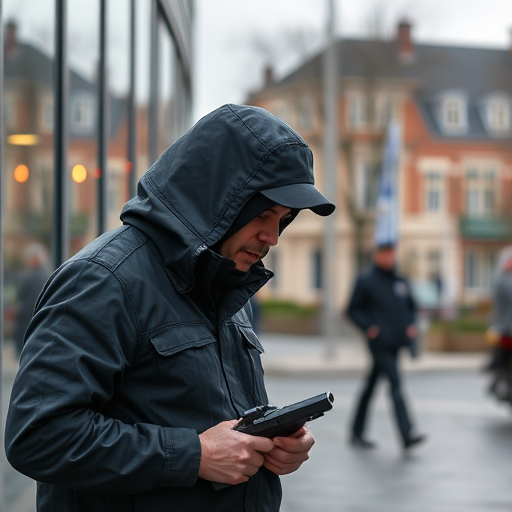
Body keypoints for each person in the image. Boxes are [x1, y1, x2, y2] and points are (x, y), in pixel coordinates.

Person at [5, 104, 335, 512]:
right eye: (263, 214)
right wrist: (195, 455)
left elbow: (212, 415)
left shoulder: (224, 284)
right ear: (218, 199)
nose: (273, 236)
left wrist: (270, 443)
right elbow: (40, 436)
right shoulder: (103, 280)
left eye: (284, 218)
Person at [345, 242, 426, 451]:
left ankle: (356, 431)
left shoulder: (400, 280)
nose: (390, 257)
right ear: (377, 255)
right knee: (396, 384)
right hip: (379, 344)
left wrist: (410, 325)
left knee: (370, 386)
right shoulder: (366, 281)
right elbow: (352, 310)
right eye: (386, 253)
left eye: (393, 253)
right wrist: (370, 327)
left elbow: (411, 307)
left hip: (397, 343)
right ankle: (407, 433)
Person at [12, 242, 50, 357]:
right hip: (34, 313)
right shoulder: (47, 275)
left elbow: (19, 294)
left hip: (29, 313)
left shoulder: (27, 275)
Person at [485, 246, 512, 402]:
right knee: (499, 356)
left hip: (502, 327)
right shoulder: (502, 279)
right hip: (504, 328)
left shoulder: (499, 278)